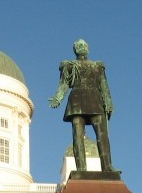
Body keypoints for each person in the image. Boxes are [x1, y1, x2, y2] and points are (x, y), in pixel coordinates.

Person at [49, 39, 116, 172]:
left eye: (84, 45)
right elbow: (64, 84)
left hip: (95, 100)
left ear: (88, 49)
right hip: (76, 100)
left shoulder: (97, 66)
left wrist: (108, 103)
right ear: (75, 50)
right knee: (77, 136)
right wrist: (58, 98)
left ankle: (107, 166)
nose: (82, 47)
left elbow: (104, 85)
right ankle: (81, 168)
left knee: (102, 135)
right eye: (79, 46)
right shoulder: (69, 66)